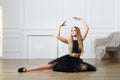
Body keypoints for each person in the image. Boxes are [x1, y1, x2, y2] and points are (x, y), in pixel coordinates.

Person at [18, 17, 96, 73]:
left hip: (77, 60)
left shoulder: (81, 39)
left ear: (77, 32)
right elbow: (57, 36)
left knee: (85, 67)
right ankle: (28, 69)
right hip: (68, 58)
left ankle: (67, 69)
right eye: (71, 30)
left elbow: (87, 28)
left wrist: (81, 20)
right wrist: (59, 26)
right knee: (49, 66)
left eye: (74, 30)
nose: (72, 31)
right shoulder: (69, 41)